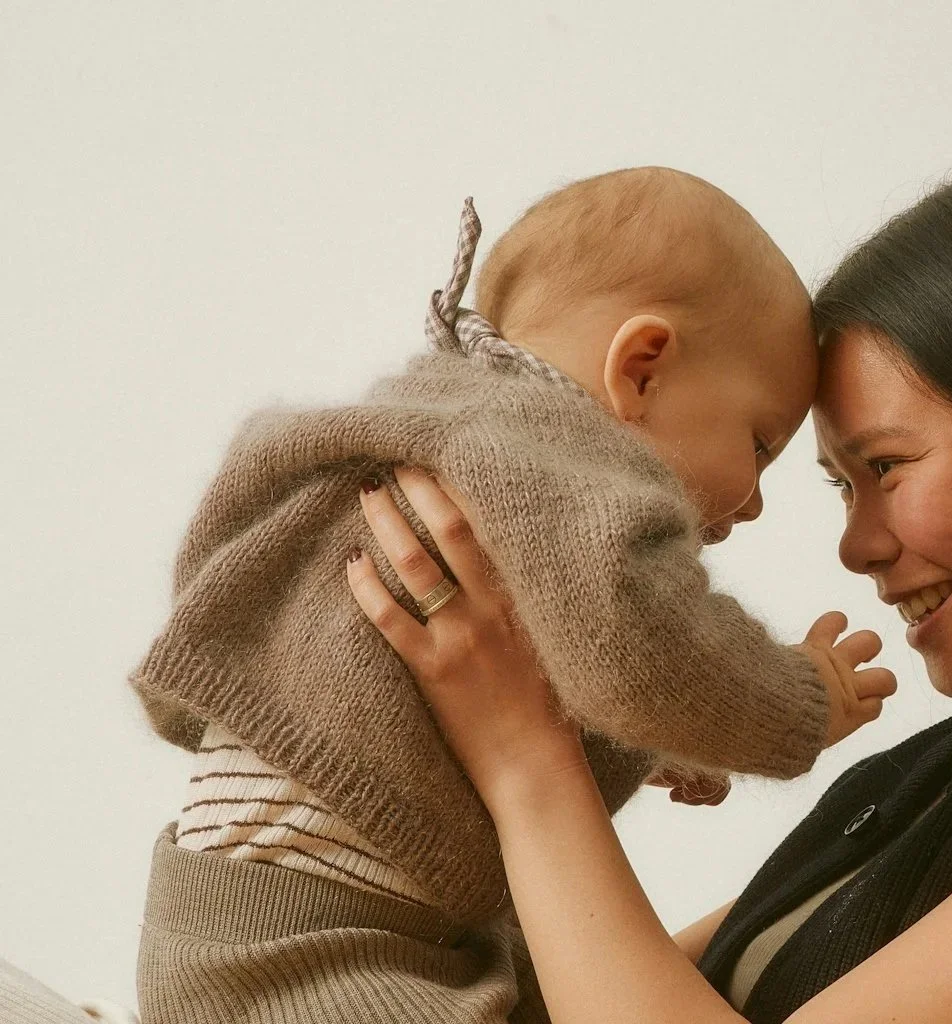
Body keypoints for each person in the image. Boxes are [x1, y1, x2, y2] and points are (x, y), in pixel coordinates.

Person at [347, 159, 952, 1023]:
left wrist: (522, 753)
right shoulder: (951, 766)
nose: (857, 545)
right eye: (842, 484)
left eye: (887, 465)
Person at [129, 167, 894, 1022]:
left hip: (258, 921)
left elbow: (556, 653)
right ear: (642, 369)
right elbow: (640, 655)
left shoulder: (444, 419)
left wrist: (667, 739)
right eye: (760, 444)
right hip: (311, 958)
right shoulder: (559, 464)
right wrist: (800, 700)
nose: (752, 501)